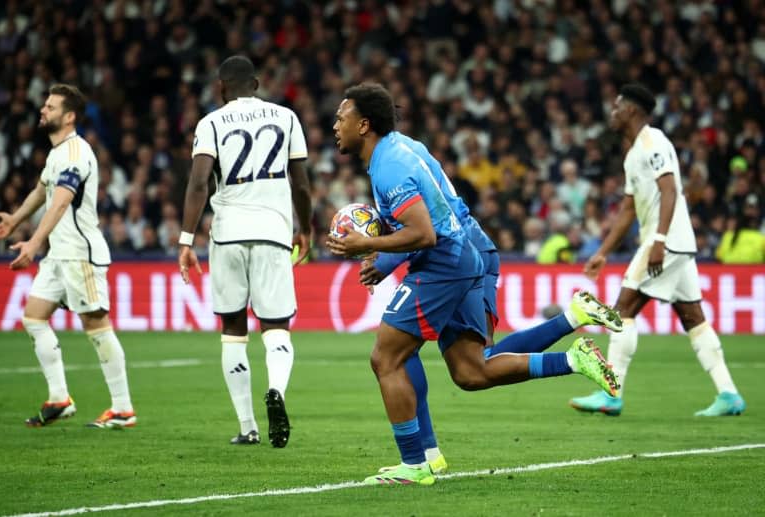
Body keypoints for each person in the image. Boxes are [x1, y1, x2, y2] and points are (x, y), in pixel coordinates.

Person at [327, 83, 619, 485]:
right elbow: (436, 213)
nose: (334, 126)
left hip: (444, 262)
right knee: (469, 371)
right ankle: (571, 358)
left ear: (363, 125)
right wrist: (388, 256)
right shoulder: (400, 148)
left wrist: (368, 244)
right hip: (462, 255)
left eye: (341, 118)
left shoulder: (389, 166)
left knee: (387, 357)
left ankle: (417, 462)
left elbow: (424, 232)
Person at [569, 83, 746, 417]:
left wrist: (660, 240)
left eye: (618, 106)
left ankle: (611, 393)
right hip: (673, 242)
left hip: (667, 241)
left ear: (633, 110)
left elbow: (669, 189)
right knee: (693, 317)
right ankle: (729, 394)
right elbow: (626, 210)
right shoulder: (633, 153)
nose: (613, 112)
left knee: (622, 310)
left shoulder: (653, 143)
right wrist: (603, 251)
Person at [178, 55, 312, 448]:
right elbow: (300, 184)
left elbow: (199, 182)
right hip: (273, 232)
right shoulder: (286, 117)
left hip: (228, 233)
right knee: (276, 327)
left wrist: (186, 240)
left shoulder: (211, 123)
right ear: (255, 84)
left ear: (221, 87)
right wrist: (304, 228)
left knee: (234, 331)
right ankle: (277, 392)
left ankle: (247, 426)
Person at [0, 84, 136, 429]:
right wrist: (16, 219)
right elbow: (43, 189)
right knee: (34, 317)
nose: (43, 110)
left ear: (69, 117)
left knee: (96, 326)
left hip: (79, 254)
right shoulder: (57, 154)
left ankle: (123, 408)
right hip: (59, 255)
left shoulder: (75, 153)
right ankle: (59, 398)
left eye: (51, 106)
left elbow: (61, 200)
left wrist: (34, 242)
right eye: (45, 105)